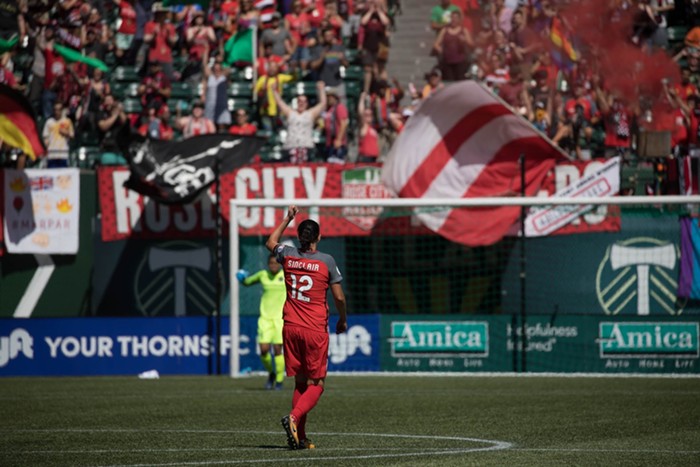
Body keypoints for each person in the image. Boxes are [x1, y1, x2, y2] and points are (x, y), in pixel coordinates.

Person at [265, 205, 347, 451]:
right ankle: (293, 418)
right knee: (318, 384)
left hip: (290, 326)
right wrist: (342, 319)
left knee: (300, 383)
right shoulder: (326, 261)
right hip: (313, 329)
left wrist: (288, 218)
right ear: (318, 238)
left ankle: (300, 437)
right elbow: (339, 298)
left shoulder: (288, 255)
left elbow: (271, 241)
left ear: (301, 237)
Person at [236, 254, 287, 390]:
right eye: (271, 263)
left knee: (278, 350)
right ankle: (271, 373)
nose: (273, 266)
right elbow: (247, 282)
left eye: (276, 263)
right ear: (268, 264)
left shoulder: (286, 275)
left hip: (280, 319)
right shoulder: (263, 275)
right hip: (265, 319)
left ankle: (280, 380)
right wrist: (242, 278)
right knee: (264, 349)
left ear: (280, 264)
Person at [273, 81, 327, 163]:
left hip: (306, 146)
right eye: (299, 101)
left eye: (303, 101)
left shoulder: (310, 114)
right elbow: (280, 102)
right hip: (291, 146)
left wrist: (321, 90)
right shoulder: (290, 113)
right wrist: (274, 90)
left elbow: (322, 104)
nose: (301, 103)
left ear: (307, 103)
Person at [42, 102, 74, 168]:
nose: (57, 112)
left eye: (59, 110)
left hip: (63, 154)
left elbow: (72, 135)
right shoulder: (49, 122)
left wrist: (66, 133)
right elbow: (45, 137)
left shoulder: (67, 121)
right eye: (55, 110)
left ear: (62, 110)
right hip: (51, 154)